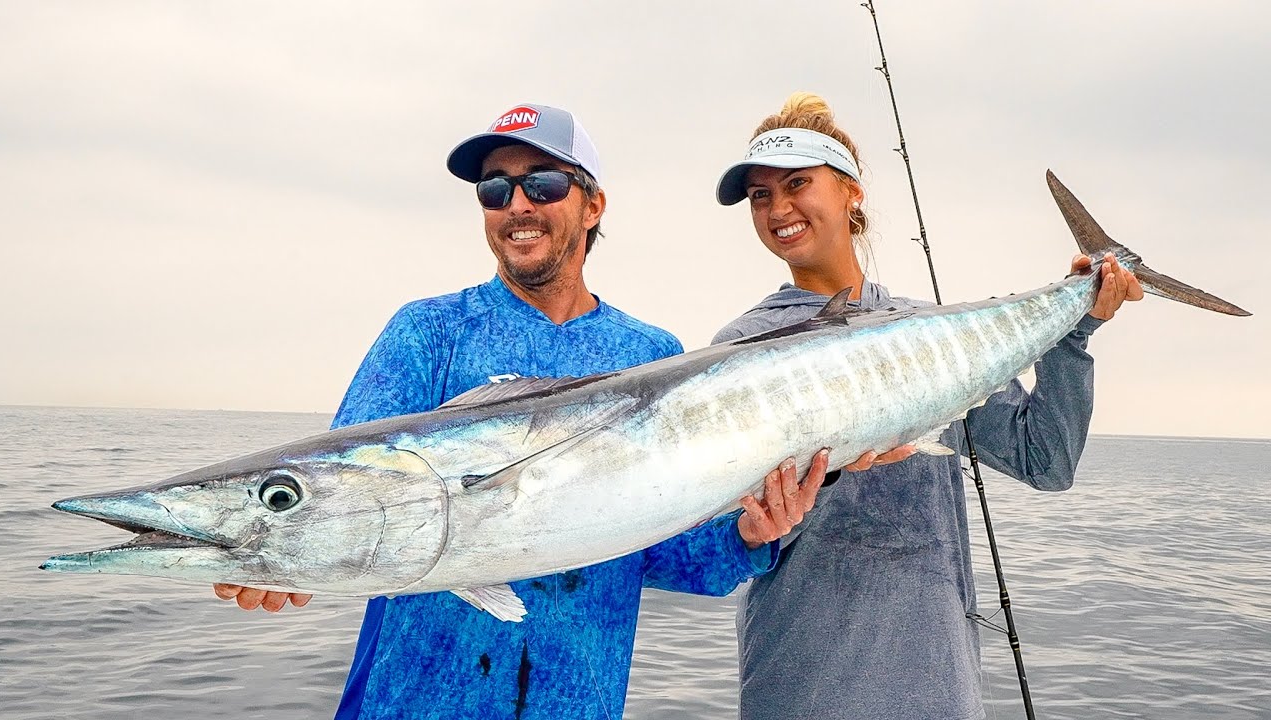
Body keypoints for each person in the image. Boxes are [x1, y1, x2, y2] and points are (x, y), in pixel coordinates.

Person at [214, 103, 828, 720]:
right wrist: (283, 550)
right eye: (495, 189)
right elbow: (344, 494)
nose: (517, 205)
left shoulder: (650, 356)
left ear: (593, 205)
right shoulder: (428, 333)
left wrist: (750, 536)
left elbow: (659, 550)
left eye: (543, 184)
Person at [712, 92, 1143, 720]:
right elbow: (722, 534)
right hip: (801, 686)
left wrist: (1074, 334)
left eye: (798, 183)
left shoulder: (934, 342)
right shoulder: (741, 349)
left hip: (938, 687)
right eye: (760, 195)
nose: (778, 209)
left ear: (851, 191)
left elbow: (1046, 460)